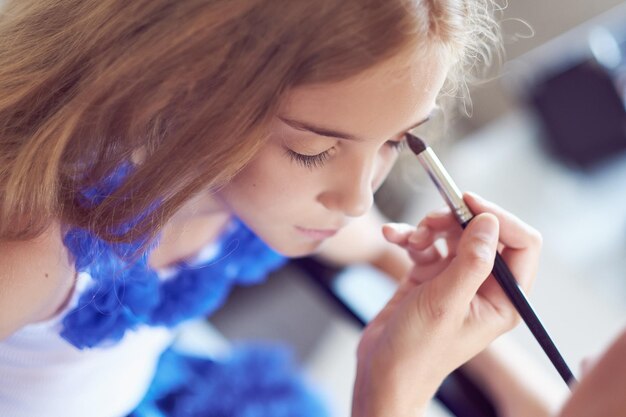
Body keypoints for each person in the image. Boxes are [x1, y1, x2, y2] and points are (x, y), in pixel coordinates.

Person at [0, 1, 555, 416]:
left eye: (395, 141)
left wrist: (517, 384)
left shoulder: (241, 187)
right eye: (311, 151)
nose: (358, 198)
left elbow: (379, 247)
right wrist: (395, 390)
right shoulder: (31, 254)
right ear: (181, 92)